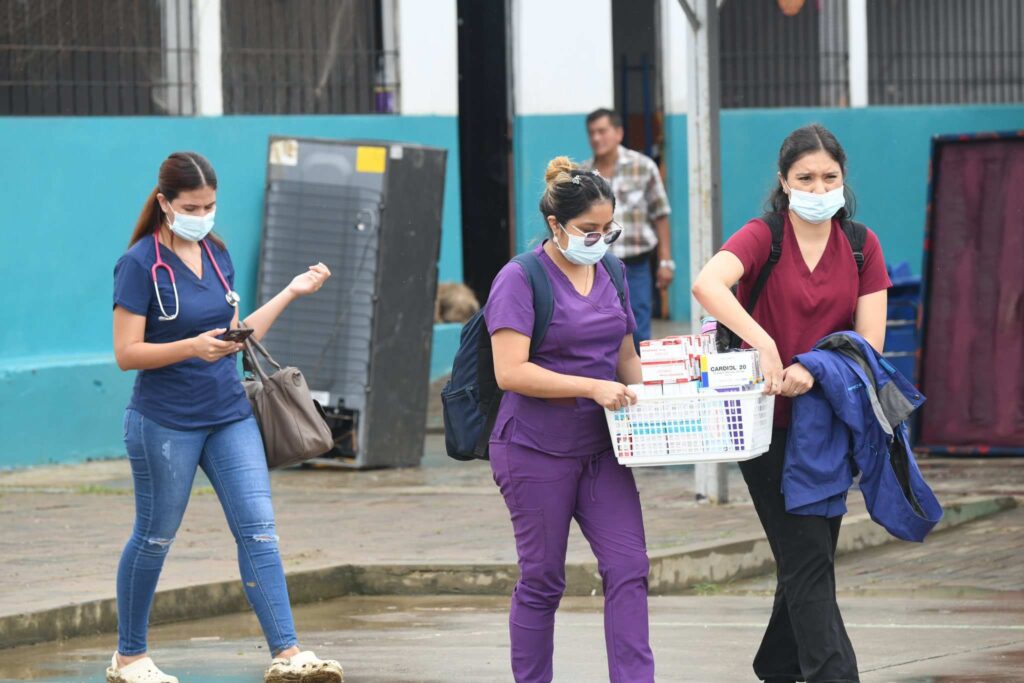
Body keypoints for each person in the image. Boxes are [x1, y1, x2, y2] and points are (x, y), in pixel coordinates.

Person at [109, 152, 343, 683]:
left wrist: (289, 292)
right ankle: (129, 658)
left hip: (229, 413)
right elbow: (127, 353)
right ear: (165, 203)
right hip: (164, 420)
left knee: (259, 531)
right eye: (192, 206)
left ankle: (287, 655)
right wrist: (190, 347)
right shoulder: (139, 264)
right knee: (154, 536)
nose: (203, 214)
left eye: (210, 204)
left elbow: (238, 335)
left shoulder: (217, 255)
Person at [692, 124, 891, 683]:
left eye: (830, 176)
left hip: (829, 424)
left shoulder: (861, 244)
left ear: (843, 180)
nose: (818, 186)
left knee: (810, 556)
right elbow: (708, 285)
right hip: (763, 425)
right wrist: (764, 342)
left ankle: (777, 665)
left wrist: (813, 367)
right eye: (805, 177)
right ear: (784, 182)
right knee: (807, 560)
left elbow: (869, 343)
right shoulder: (764, 235)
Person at [486, 156, 654, 683]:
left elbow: (625, 354)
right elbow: (510, 372)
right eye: (589, 230)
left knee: (629, 568)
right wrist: (591, 386)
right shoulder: (520, 278)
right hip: (533, 450)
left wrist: (656, 396)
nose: (600, 239)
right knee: (542, 579)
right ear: (556, 226)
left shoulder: (613, 271)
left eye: (609, 229)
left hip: (603, 450)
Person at [581, 108, 673, 349]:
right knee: (598, 329)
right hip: (594, 267)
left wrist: (665, 262)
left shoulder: (643, 166)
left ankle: (637, 384)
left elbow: (661, 215)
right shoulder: (583, 175)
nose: (596, 138)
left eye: (602, 131)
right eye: (592, 133)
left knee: (638, 330)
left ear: (619, 133)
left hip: (635, 266)